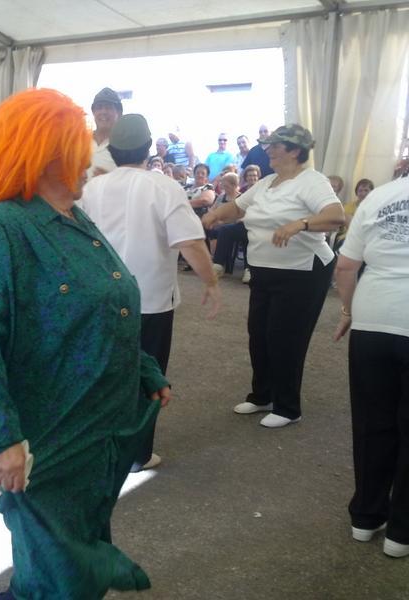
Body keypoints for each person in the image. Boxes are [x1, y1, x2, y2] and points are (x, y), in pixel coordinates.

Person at [0, 88, 170, 599]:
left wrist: (144, 369)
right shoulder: (1, 229)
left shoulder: (75, 216)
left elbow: (103, 305)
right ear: (46, 155)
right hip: (50, 431)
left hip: (98, 426)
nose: (90, 160)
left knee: (70, 552)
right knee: (59, 572)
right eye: (79, 149)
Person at [81, 113, 220, 473]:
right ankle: (137, 454)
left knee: (104, 371)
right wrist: (210, 281)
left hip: (101, 297)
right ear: (147, 148)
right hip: (151, 299)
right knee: (147, 376)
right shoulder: (163, 187)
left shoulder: (93, 188)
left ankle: (100, 444)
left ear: (112, 150)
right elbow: (190, 242)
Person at [202, 124, 345, 427]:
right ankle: (262, 395)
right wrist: (214, 214)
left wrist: (300, 224)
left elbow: (335, 216)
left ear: (294, 151)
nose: (268, 150)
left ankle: (288, 407)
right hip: (264, 270)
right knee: (259, 334)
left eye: (275, 146)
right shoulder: (267, 182)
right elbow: (237, 209)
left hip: (303, 271)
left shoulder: (312, 181)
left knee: (286, 338)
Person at [333, 173, 409, 559]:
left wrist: (348, 310)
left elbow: (346, 266)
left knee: (371, 422)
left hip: (373, 320)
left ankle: (365, 516)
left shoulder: (380, 196)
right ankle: (401, 532)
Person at [88, 87, 122, 178]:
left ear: (119, 113)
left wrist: (108, 180)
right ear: (93, 112)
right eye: (99, 107)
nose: (103, 112)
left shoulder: (126, 147)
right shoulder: (81, 141)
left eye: (109, 107)